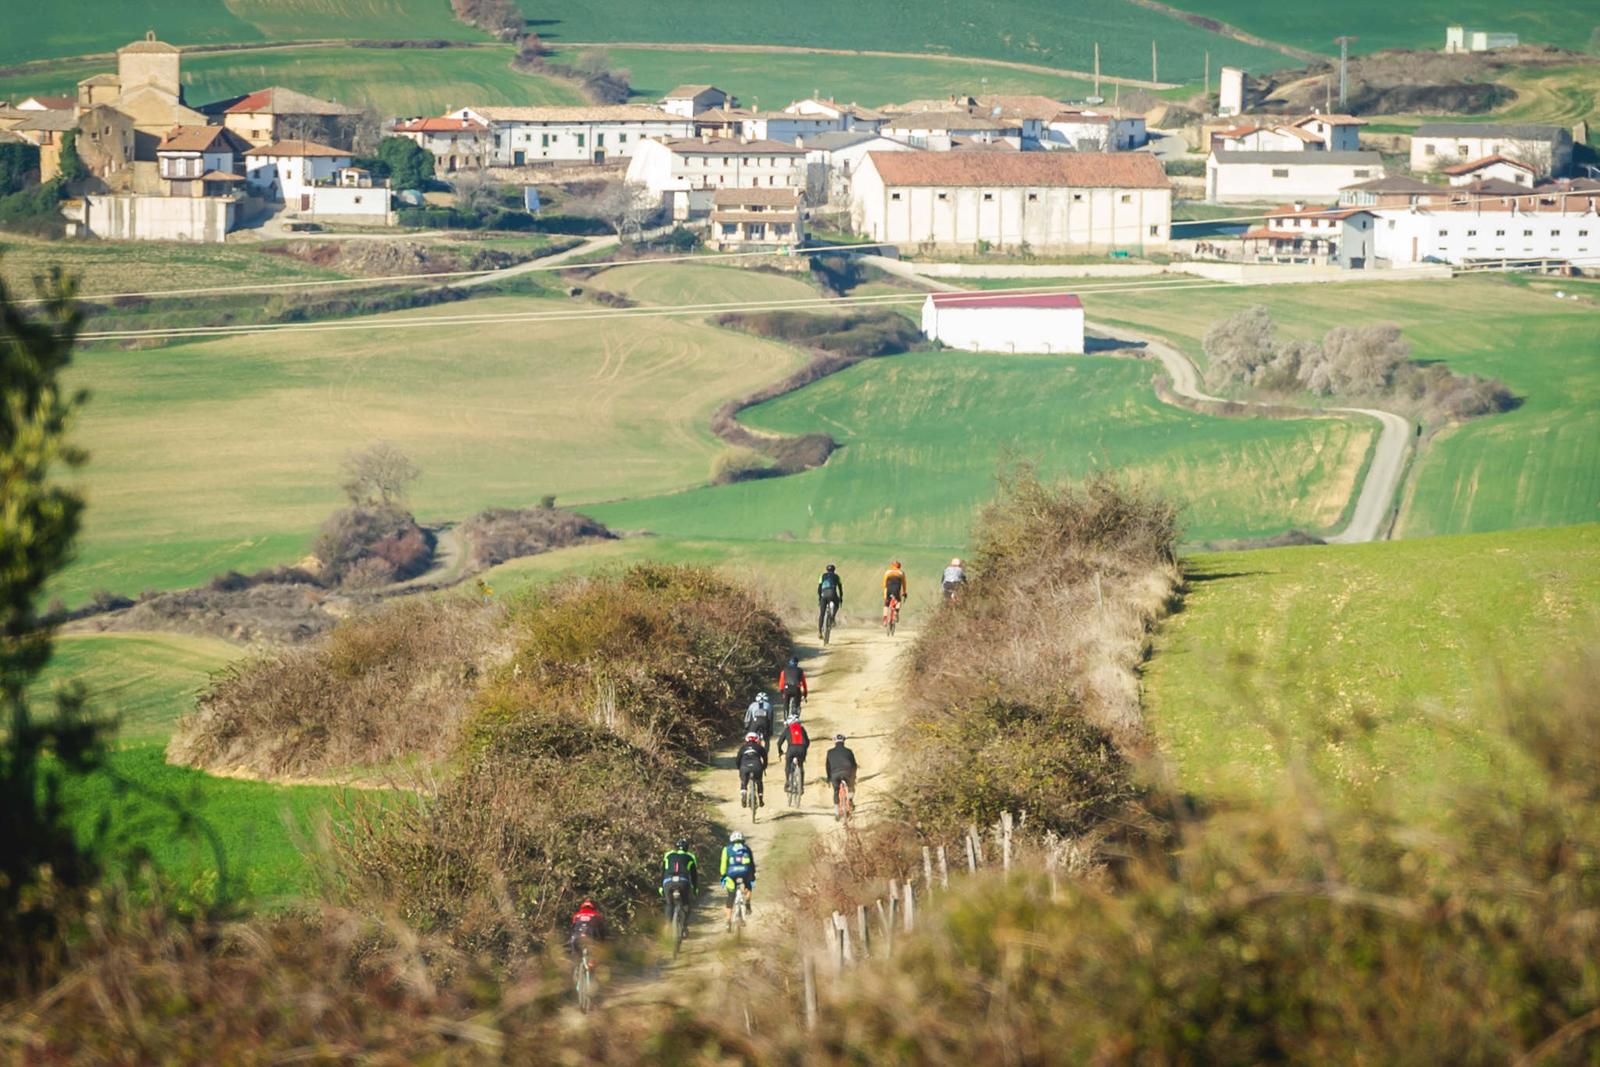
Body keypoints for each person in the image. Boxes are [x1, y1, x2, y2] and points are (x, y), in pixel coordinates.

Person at [719, 830, 757, 930]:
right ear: (742, 840)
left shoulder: (726, 849)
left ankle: (728, 921)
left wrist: (723, 875)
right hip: (745, 872)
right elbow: (752, 864)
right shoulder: (747, 848)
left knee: (731, 896)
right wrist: (752, 875)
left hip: (731, 874)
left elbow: (723, 865)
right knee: (748, 886)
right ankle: (748, 903)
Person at [660, 838, 699, 923]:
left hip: (668, 881)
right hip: (683, 881)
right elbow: (694, 875)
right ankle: (684, 926)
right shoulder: (690, 857)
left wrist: (661, 887)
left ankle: (668, 927)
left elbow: (663, 872)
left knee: (669, 904)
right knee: (686, 903)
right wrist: (695, 889)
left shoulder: (668, 856)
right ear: (687, 848)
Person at [825, 733, 859, 821]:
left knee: (836, 791)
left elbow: (828, 767)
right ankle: (850, 799)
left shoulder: (830, 752)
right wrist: (854, 777)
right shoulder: (849, 751)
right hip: (847, 773)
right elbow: (854, 765)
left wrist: (829, 778)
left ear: (835, 742)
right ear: (844, 742)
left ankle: (836, 813)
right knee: (851, 787)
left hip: (835, 774)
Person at [776, 711, 811, 794]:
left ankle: (788, 782)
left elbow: (779, 742)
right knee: (801, 766)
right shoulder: (802, 728)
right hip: (802, 748)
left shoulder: (787, 729)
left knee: (788, 764)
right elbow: (808, 741)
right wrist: (804, 750)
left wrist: (780, 751)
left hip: (791, 749)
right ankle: (801, 787)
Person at [737, 730, 767, 808]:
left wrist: (739, 768)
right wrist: (764, 767)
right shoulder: (759, 747)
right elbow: (765, 758)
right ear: (757, 739)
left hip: (744, 766)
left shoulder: (742, 748)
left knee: (744, 781)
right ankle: (760, 799)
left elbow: (737, 760)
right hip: (757, 766)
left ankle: (744, 793)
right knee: (759, 782)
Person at [816, 564, 844, 639]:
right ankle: (832, 618)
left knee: (822, 613)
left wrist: (820, 597)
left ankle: (819, 631)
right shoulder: (837, 576)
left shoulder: (822, 576)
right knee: (837, 604)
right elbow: (840, 588)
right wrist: (841, 598)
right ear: (834, 570)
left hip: (823, 595)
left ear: (826, 570)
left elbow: (819, 588)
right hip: (832, 594)